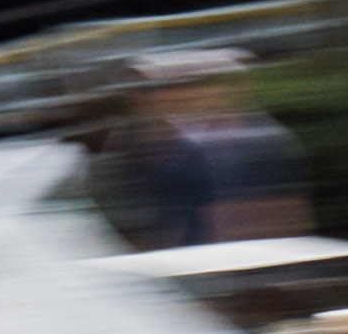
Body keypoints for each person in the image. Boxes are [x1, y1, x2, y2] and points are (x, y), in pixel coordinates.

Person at [115, 48, 311, 250]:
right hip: (189, 253)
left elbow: (286, 213)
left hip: (242, 253)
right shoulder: (174, 139)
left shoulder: (266, 141)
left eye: (196, 84)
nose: (180, 93)